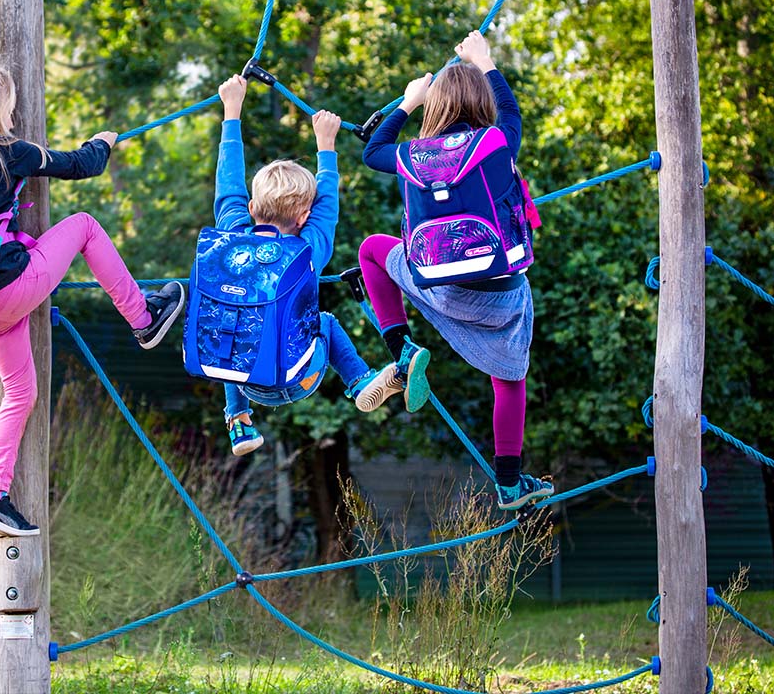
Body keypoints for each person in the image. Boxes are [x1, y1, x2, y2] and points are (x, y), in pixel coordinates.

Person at [0, 58, 186, 536]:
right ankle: (143, 317)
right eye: (8, 105)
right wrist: (103, 143)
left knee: (20, 391)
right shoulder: (10, 152)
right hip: (9, 288)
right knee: (86, 225)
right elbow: (80, 164)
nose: (13, 114)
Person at [358, 30, 554, 511]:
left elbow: (371, 151)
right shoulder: (495, 143)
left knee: (371, 250)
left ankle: (401, 352)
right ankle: (509, 484)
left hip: (439, 288)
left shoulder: (412, 156)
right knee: (509, 379)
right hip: (501, 296)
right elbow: (512, 115)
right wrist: (485, 61)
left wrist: (406, 102)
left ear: (435, 108)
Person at [211, 74, 429, 456]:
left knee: (232, 323)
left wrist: (232, 111)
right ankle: (360, 382)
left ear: (249, 210)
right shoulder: (307, 250)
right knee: (324, 322)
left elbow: (228, 186)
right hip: (301, 377)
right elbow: (327, 208)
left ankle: (238, 422)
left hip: (247, 381)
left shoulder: (232, 238)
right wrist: (325, 144)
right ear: (303, 218)